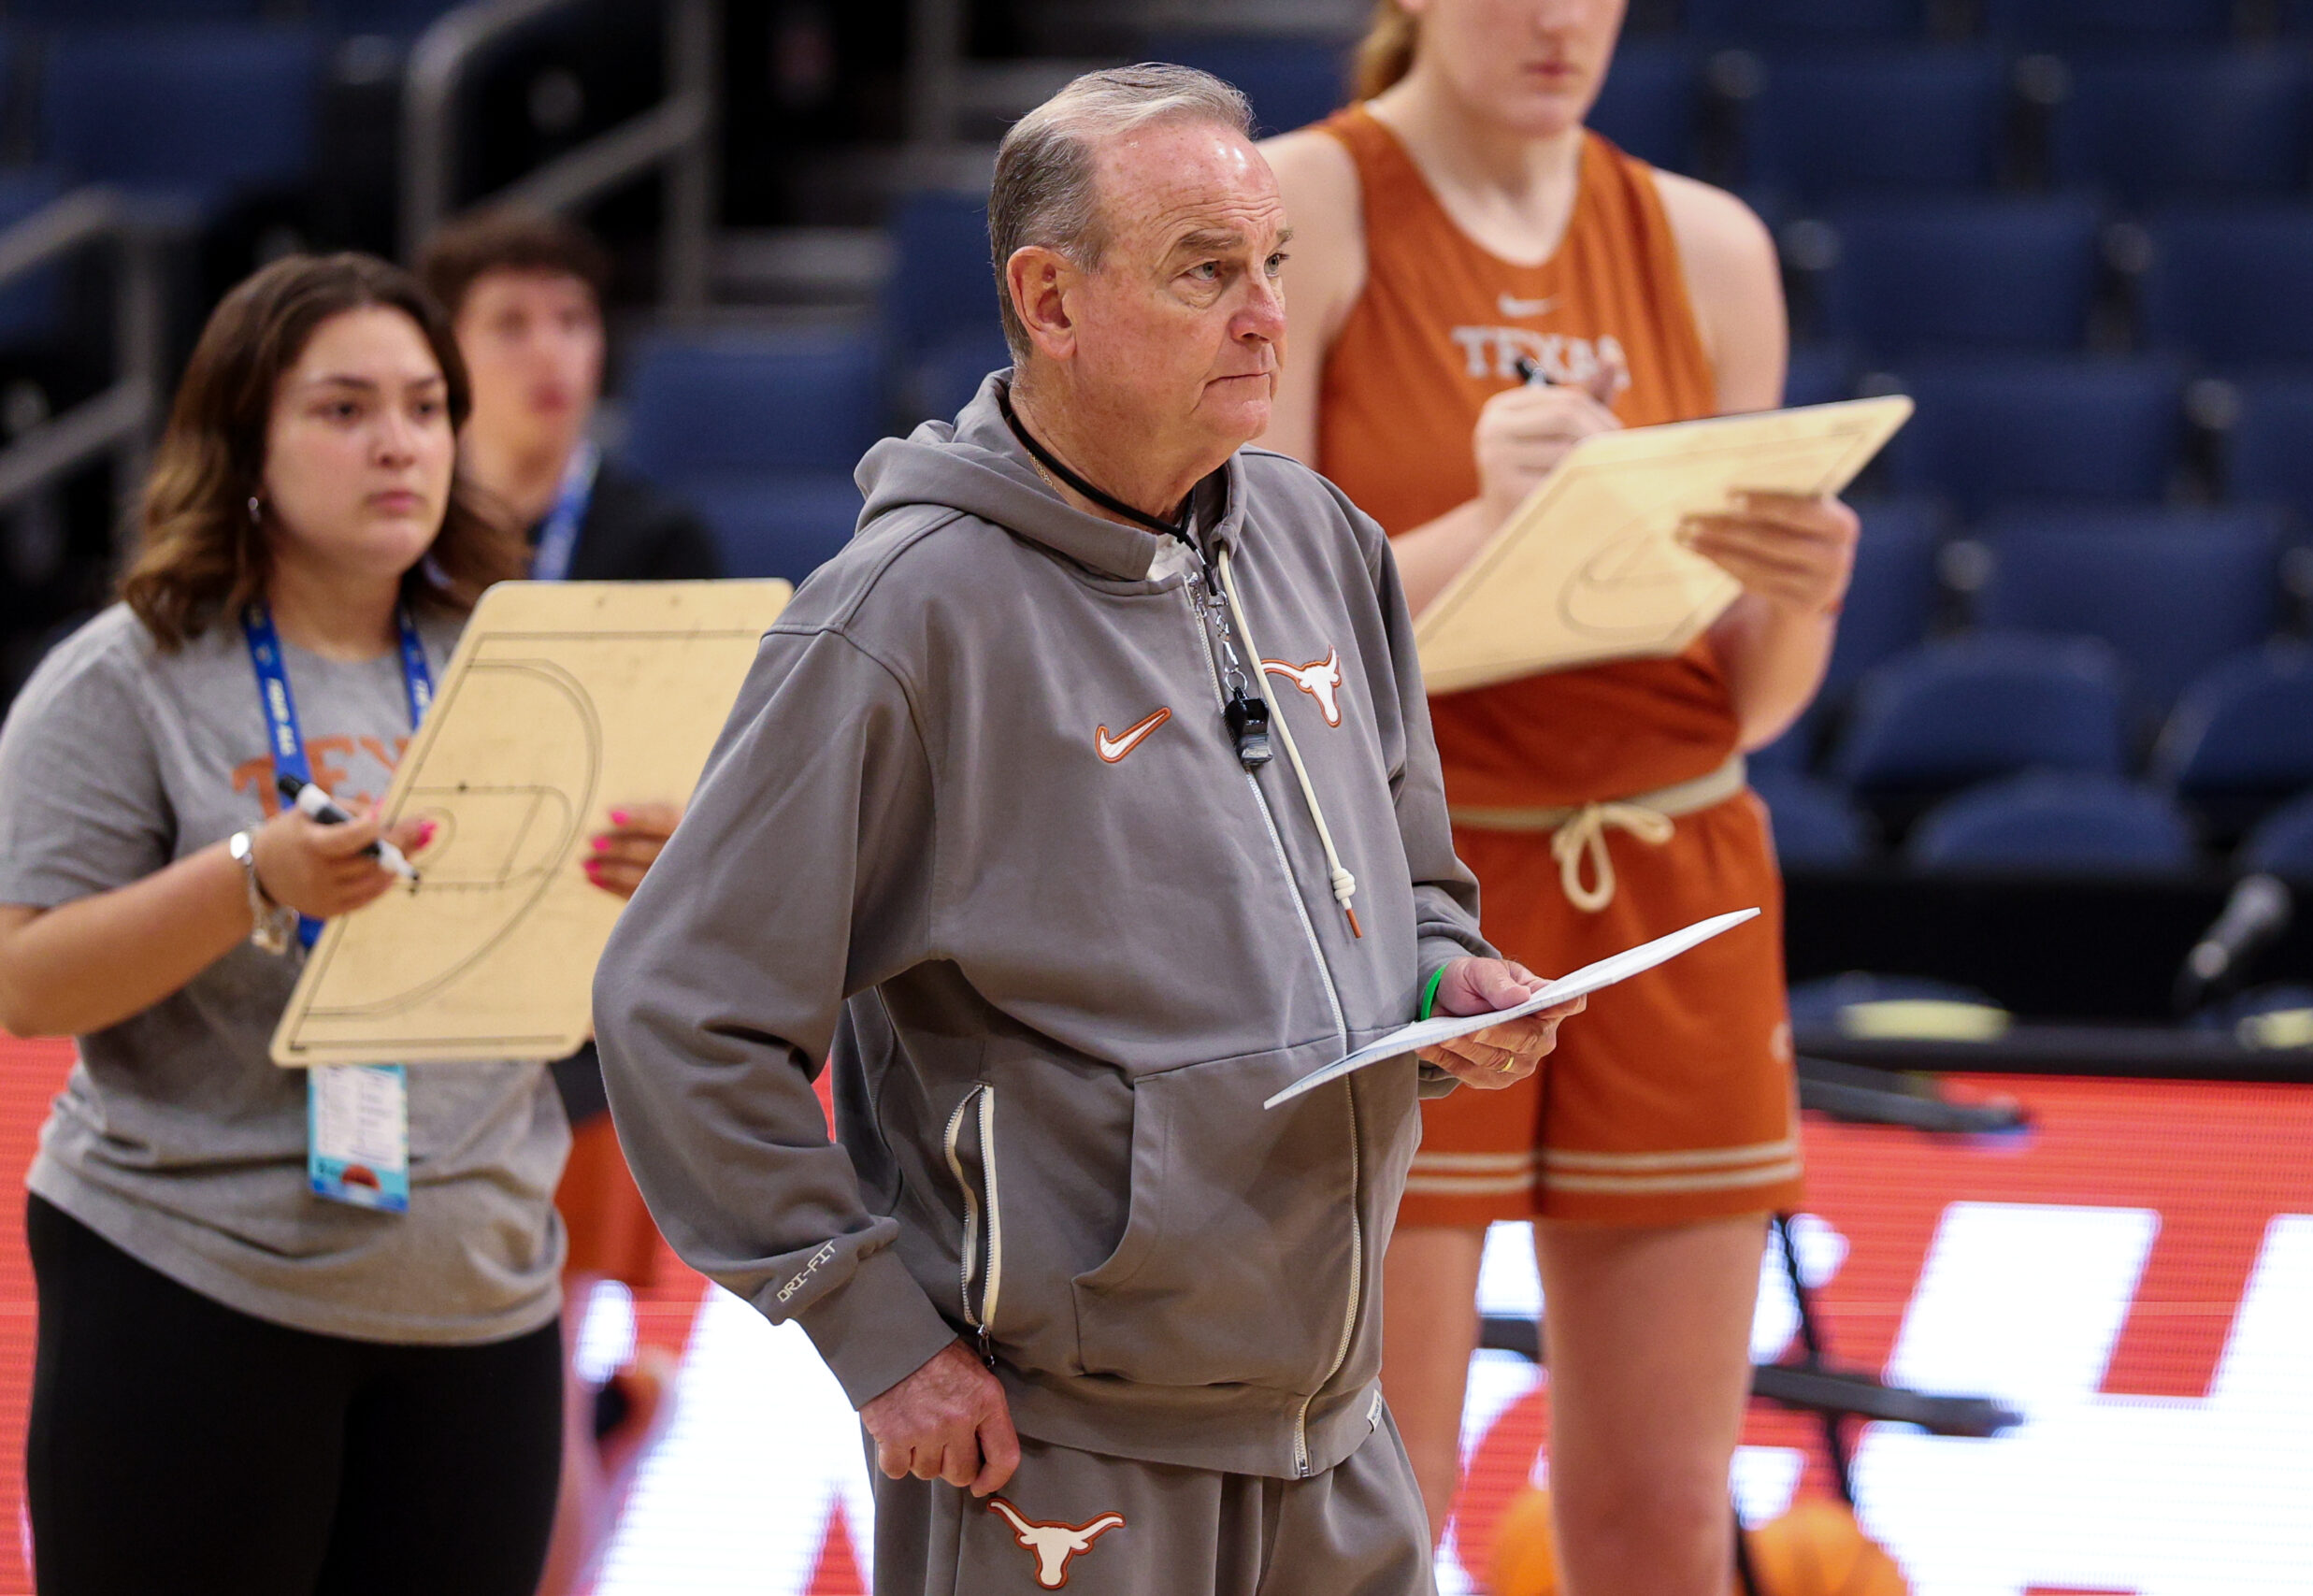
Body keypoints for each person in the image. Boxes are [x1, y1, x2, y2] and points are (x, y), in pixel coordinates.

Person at [595, 64, 1583, 1596]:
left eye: (1272, 266)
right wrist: (873, 1338)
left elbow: (1419, 889)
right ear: (1049, 300)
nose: (1264, 313)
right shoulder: (903, 615)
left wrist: (1450, 984)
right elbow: (678, 1013)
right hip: (1052, 1448)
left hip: (1336, 1420)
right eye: (1205, 271)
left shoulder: (1326, 540)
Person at [1260, 5, 1861, 1592]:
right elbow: (1240, 633)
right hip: (1403, 888)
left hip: (1673, 862)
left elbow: (1745, 698)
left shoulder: (1708, 243)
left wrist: (1802, 591)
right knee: (1379, 1501)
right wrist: (1483, 524)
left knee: (1665, 1519)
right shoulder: (1299, 207)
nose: (1555, 19)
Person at [0, 252, 564, 1595]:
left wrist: (646, 881)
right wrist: (254, 874)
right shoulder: (124, 676)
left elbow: (590, 974)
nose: (398, 445)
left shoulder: (525, 659)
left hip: (478, 1289)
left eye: (428, 409)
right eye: (344, 409)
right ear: (243, 442)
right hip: (194, 1279)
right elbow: (27, 982)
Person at [420, 206, 717, 1595]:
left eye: (574, 318)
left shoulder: (662, 534)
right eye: (512, 321)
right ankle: (616, 1439)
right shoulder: (386, 532)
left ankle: (584, 1510)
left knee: (534, 1355)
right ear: (445, 354)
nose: (552, 352)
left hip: (590, 1034)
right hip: (414, 1015)